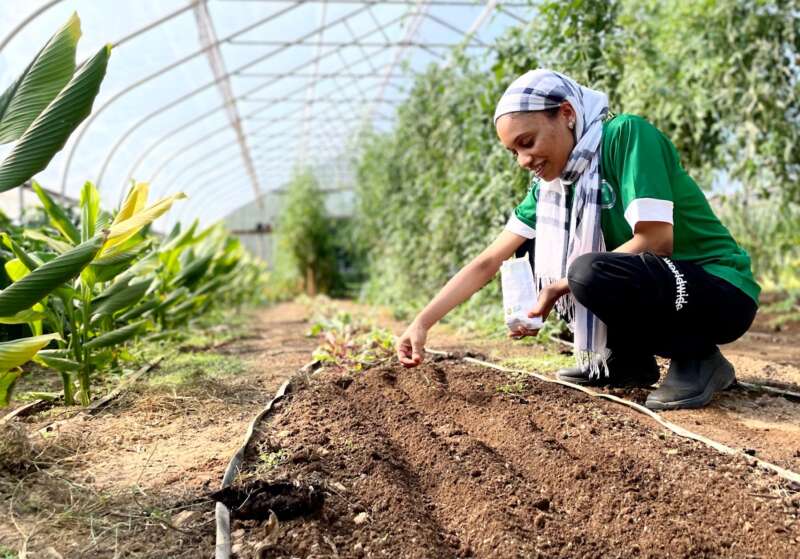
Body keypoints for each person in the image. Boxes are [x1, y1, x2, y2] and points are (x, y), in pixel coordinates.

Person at [395, 69, 759, 411]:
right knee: (536, 246)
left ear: (566, 113)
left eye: (527, 142)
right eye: (514, 152)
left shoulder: (625, 135)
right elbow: (488, 262)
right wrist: (422, 323)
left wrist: (561, 286)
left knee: (587, 272)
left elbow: (655, 241)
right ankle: (625, 359)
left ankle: (699, 359)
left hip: (717, 290)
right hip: (662, 284)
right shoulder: (553, 188)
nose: (523, 160)